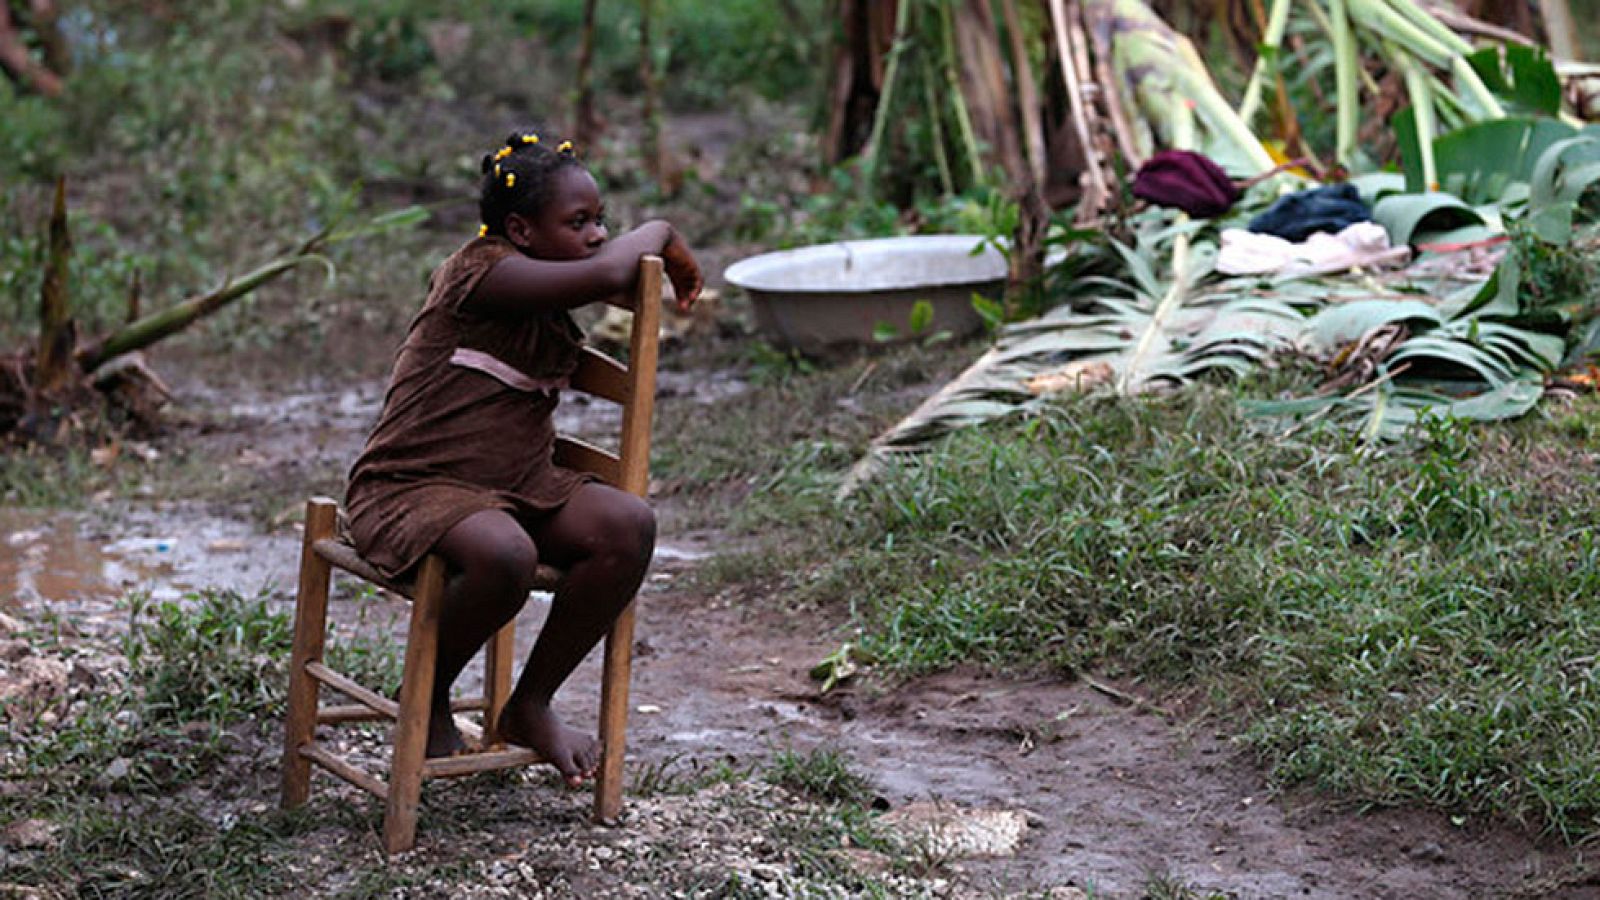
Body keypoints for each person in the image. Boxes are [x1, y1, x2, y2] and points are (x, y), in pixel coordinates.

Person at [344, 129, 702, 786]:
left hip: (515, 485)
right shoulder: (484, 274)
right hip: (413, 486)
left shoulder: (543, 285)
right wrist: (662, 231)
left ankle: (530, 704)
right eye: (578, 222)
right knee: (505, 554)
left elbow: (605, 273)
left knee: (628, 526)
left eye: (601, 220)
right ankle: (428, 693)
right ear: (519, 230)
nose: (597, 234)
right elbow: (611, 273)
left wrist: (635, 248)